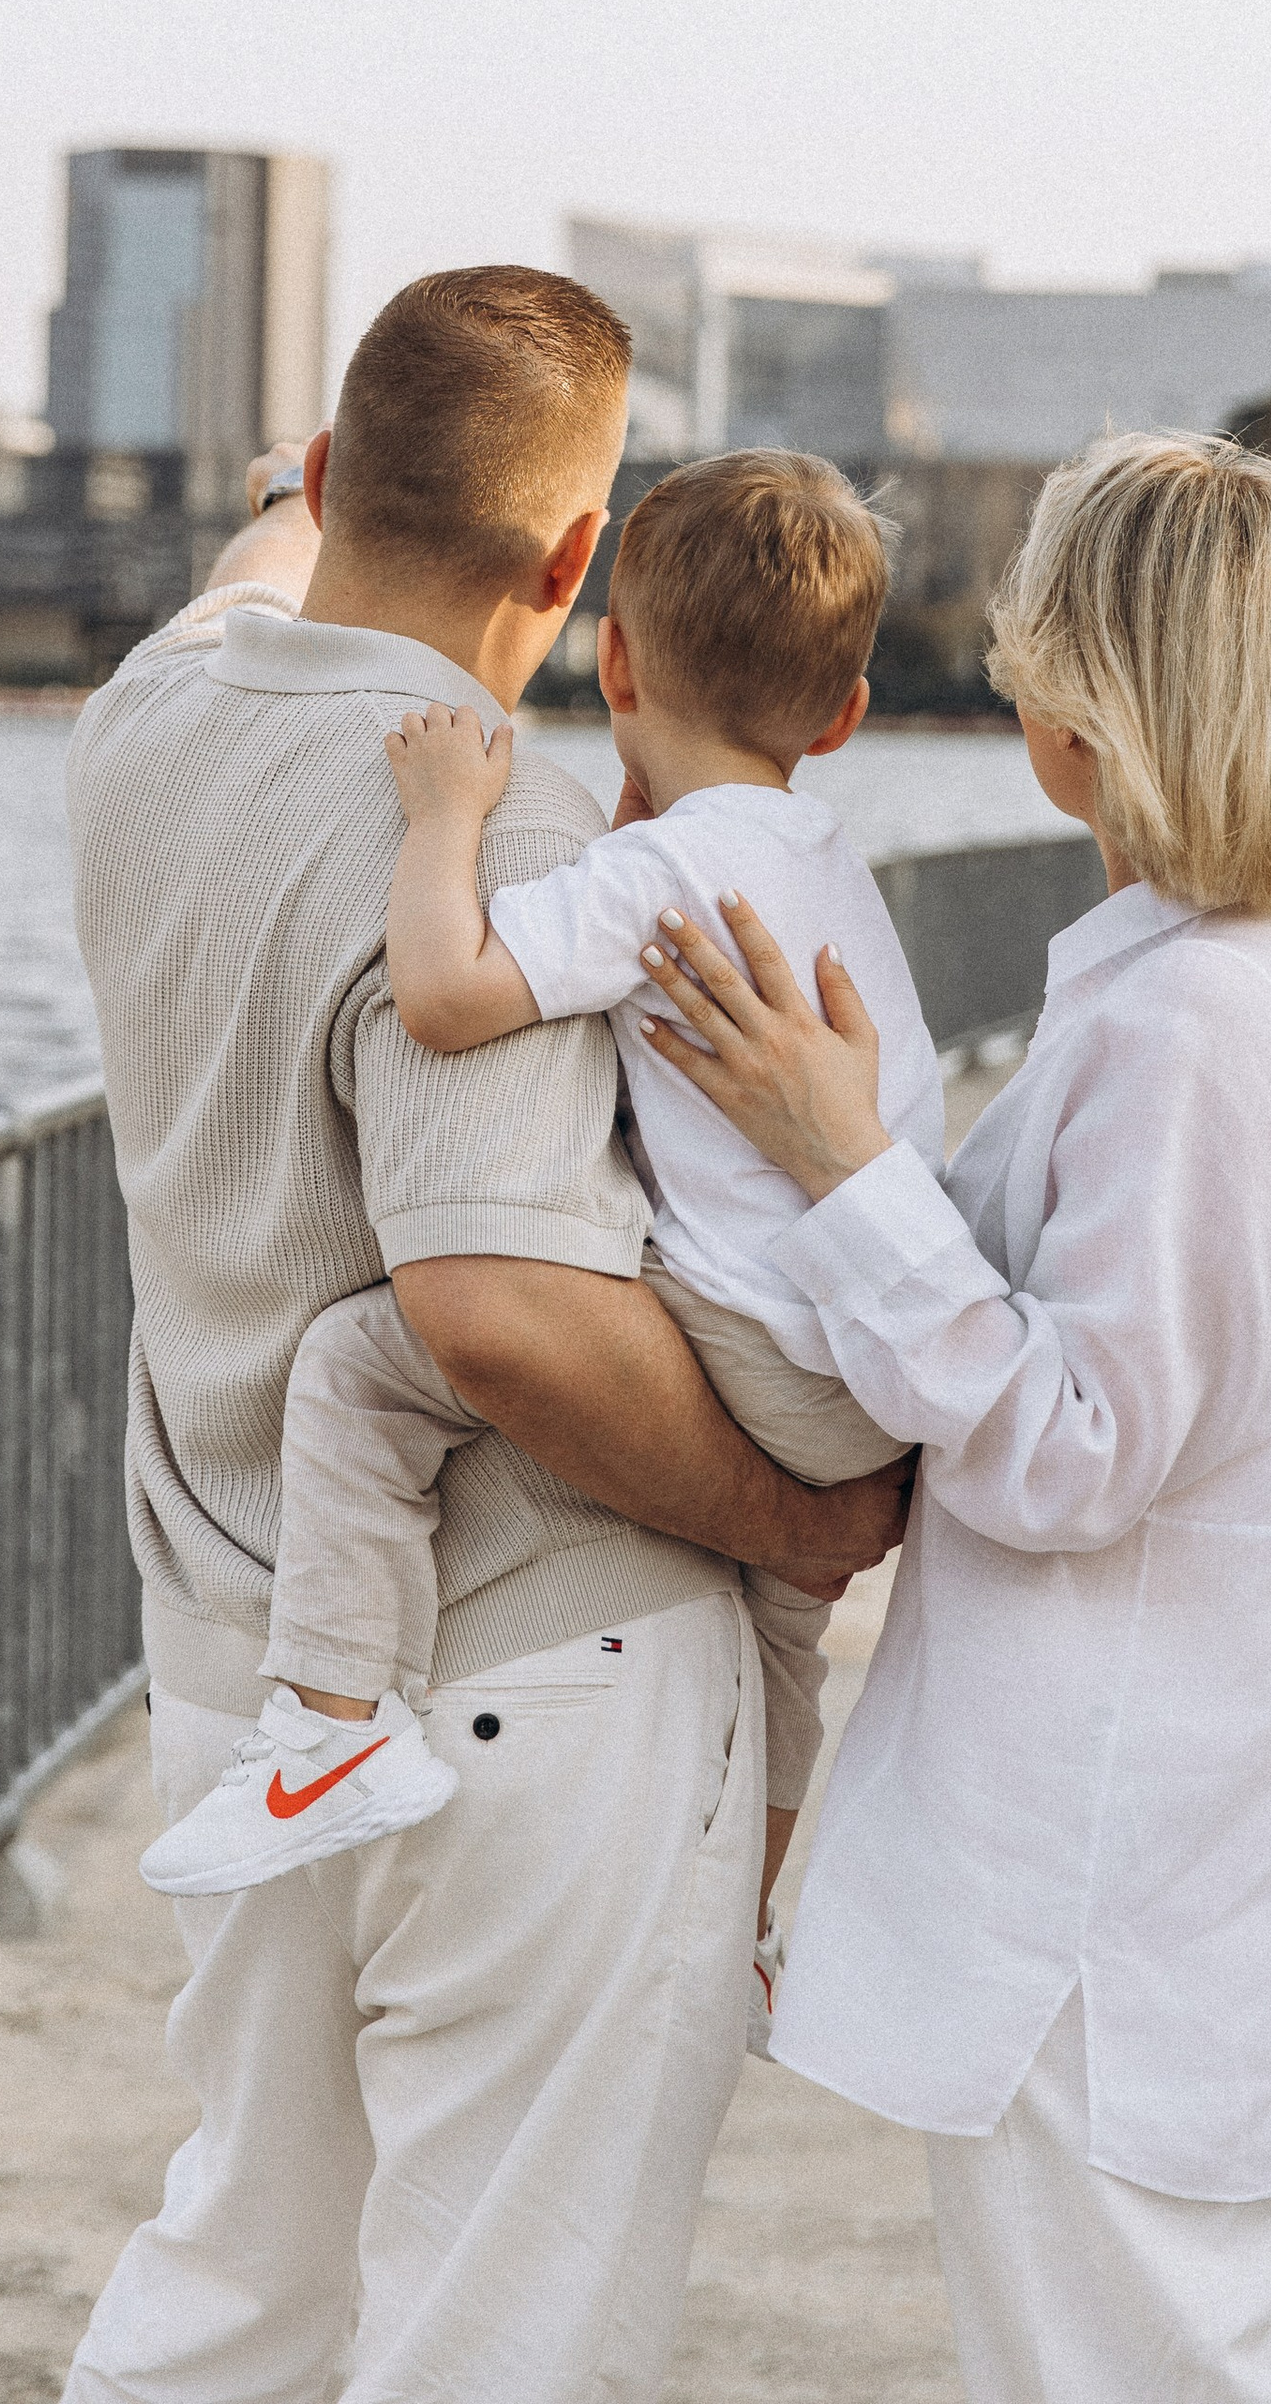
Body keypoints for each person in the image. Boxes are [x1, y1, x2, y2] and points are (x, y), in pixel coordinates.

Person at [58, 270, 906, 2404]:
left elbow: (256, 573)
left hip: (244, 1681)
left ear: (328, 474)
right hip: (536, 1679)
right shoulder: (517, 843)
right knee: (497, 2342)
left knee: (241, 2277)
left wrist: (279, 500)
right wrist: (791, 1532)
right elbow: (497, 1311)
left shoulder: (144, 719)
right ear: (570, 566)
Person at [636, 430, 1271, 2404]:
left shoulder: (1192, 1024)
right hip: (1265, 1879)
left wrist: (839, 1167)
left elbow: (1069, 1449)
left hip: (1141, 1901)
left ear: (1069, 722)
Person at [135, 451, 941, 2059]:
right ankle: (764, 1927)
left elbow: (449, 995)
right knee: (786, 1632)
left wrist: (449, 817)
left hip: (762, 1352)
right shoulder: (832, 860)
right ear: (843, 714)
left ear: (615, 657)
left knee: (365, 1367)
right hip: (875, 1348)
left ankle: (332, 1725)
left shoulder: (643, 875)